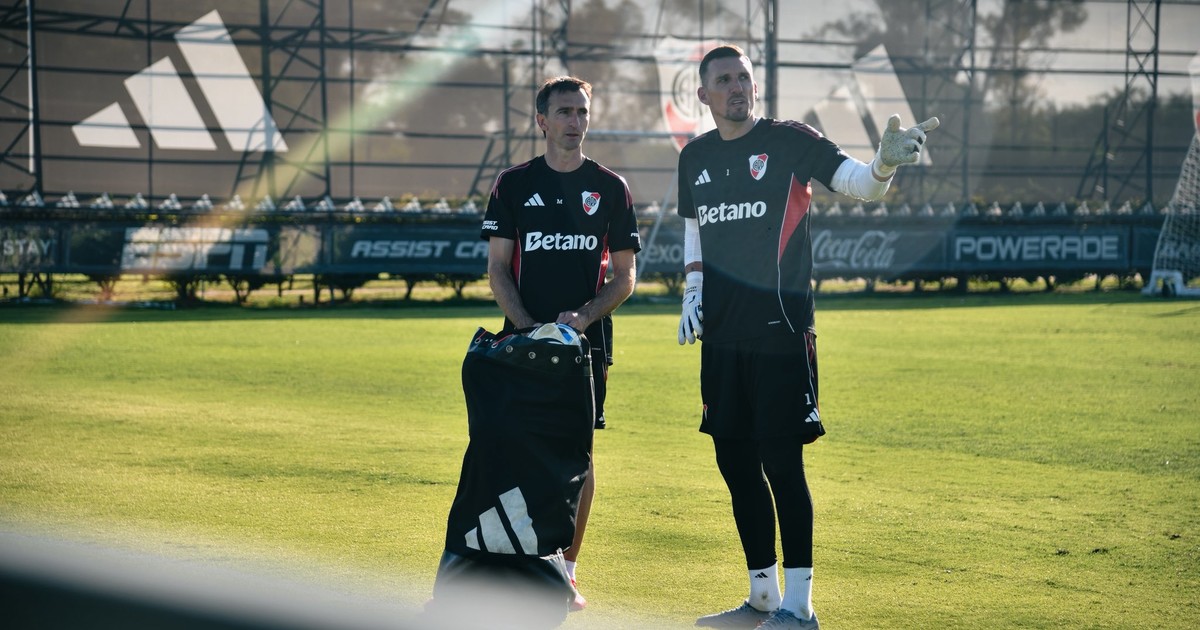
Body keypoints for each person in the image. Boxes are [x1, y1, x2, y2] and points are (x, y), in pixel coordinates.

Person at [675, 45, 938, 629]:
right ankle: (762, 599)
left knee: (781, 464)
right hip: (722, 339)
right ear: (704, 94)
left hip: (781, 333)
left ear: (754, 86)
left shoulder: (790, 140)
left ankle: (800, 609)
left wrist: (884, 164)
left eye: (744, 77)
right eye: (724, 80)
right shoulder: (694, 156)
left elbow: (860, 184)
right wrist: (692, 291)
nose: (737, 87)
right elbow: (695, 229)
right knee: (734, 463)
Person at [482, 75, 642, 612]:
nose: (576, 121)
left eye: (583, 112)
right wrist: (528, 328)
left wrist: (584, 318)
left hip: (584, 348)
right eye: (565, 112)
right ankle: (515, 563)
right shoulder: (513, 183)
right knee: (513, 450)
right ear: (542, 121)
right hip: (521, 343)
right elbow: (498, 269)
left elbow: (625, 277)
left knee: (578, 456)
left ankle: (565, 572)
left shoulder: (611, 188)